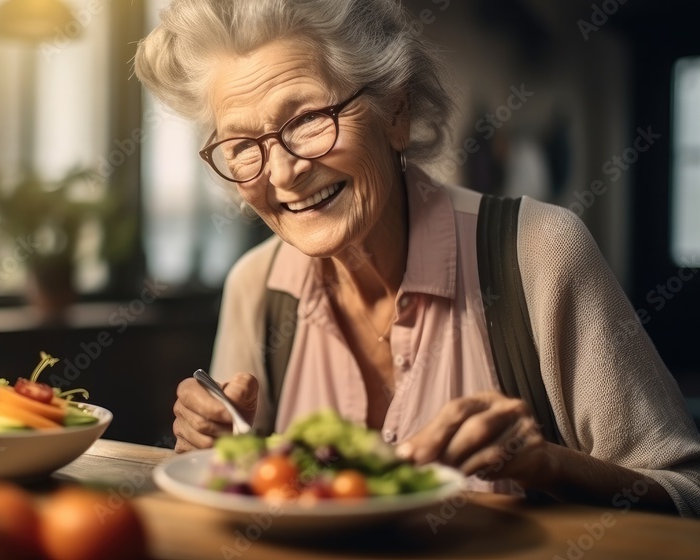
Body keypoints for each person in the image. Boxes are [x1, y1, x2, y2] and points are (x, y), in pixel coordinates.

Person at [134, 0, 700, 515]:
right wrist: (213, 449)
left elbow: (687, 493)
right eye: (241, 147)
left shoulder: (539, 252)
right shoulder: (254, 288)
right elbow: (248, 500)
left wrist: (547, 465)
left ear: (396, 113)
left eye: (307, 119)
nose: (282, 173)